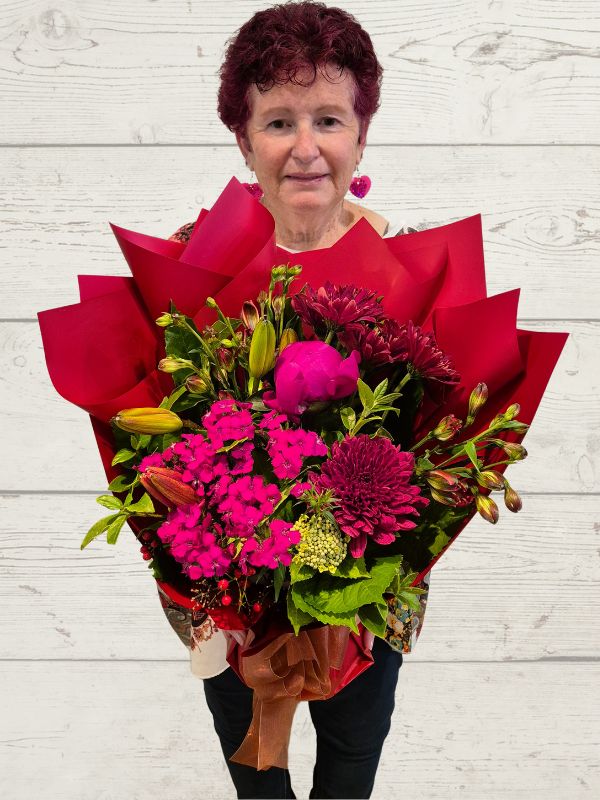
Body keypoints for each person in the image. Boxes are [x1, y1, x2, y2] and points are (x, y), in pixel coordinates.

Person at [162, 2, 432, 797]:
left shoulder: (410, 271)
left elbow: (440, 453)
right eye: (279, 121)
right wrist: (235, 575)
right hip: (227, 594)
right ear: (244, 139)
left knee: (351, 763)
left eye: (329, 118)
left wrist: (344, 563)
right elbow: (151, 444)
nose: (306, 148)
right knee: (256, 775)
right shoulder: (194, 267)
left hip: (365, 595)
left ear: (361, 132)